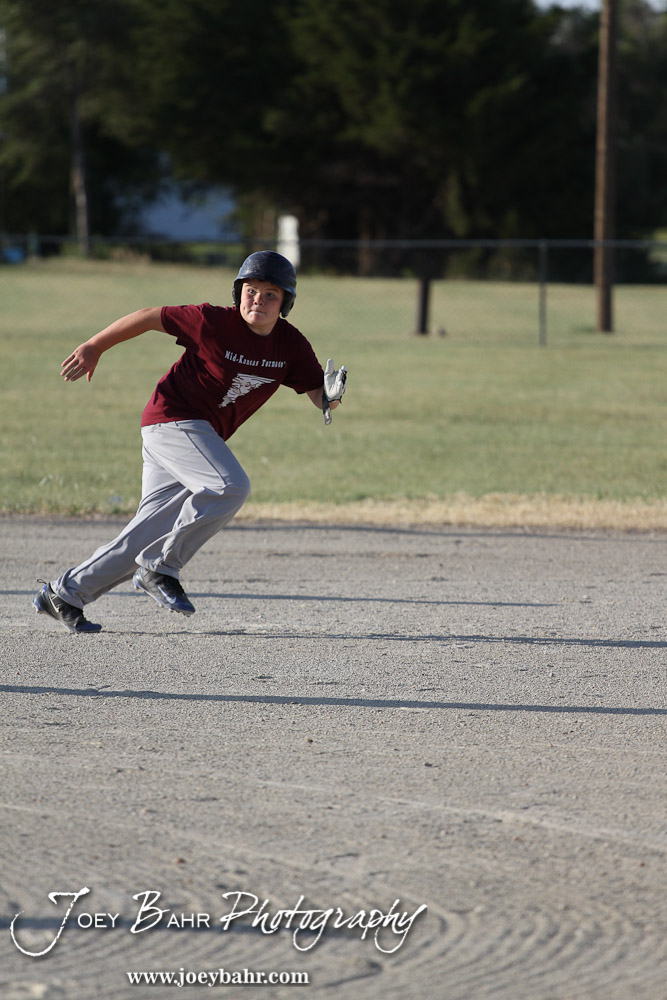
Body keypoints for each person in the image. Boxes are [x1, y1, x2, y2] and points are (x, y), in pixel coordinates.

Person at [33, 250, 347, 634]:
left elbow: (317, 393)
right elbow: (150, 317)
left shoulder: (290, 344)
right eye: (250, 290)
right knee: (230, 487)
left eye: (270, 294)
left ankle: (64, 594)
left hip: (196, 437)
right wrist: (96, 345)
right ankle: (161, 567)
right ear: (238, 292)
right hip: (172, 419)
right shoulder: (212, 321)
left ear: (285, 303)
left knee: (148, 532)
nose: (258, 300)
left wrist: (331, 396)